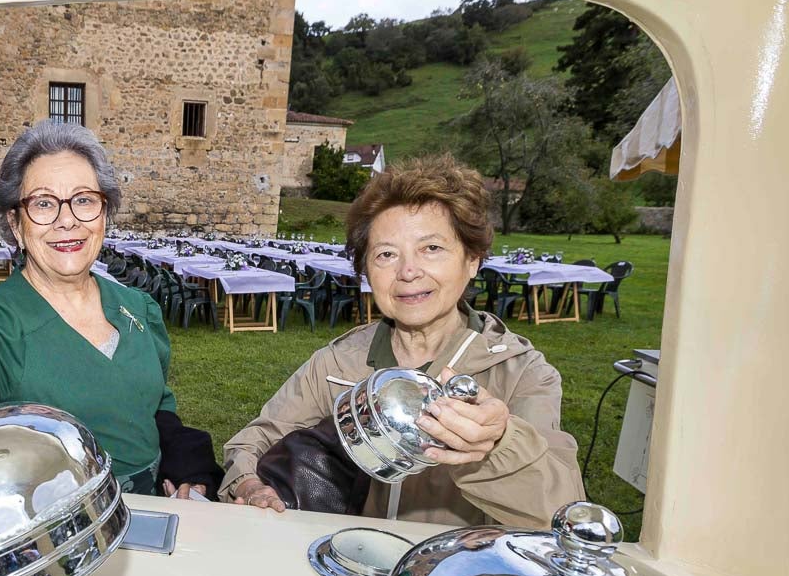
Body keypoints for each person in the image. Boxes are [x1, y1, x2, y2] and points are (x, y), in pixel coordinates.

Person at [221, 155, 584, 528]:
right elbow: (254, 441)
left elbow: (561, 512)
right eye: (386, 255)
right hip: (345, 567)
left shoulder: (521, 372)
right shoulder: (337, 365)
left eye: (431, 248)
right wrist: (249, 485)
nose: (408, 272)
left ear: (472, 259)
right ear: (366, 271)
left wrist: (499, 443)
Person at [0, 120, 222, 498]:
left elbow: (157, 406)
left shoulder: (138, 309)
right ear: (16, 225)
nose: (67, 220)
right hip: (62, 527)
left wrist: (188, 469)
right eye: (44, 204)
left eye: (84, 200)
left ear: (104, 213)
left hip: (156, 518)